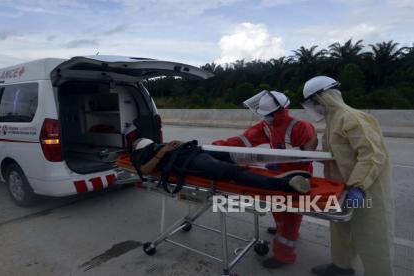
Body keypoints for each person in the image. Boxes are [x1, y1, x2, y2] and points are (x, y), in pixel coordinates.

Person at [212, 90, 318, 268]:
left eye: (270, 115)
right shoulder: (267, 126)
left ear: (281, 110)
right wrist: (217, 147)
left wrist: (287, 161)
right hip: (276, 173)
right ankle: (281, 228)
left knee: (290, 212)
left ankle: (284, 256)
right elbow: (243, 141)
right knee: (276, 205)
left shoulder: (301, 126)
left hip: (296, 175)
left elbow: (307, 155)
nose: (267, 118)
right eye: (266, 115)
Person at [302, 76, 393, 276]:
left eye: (314, 103)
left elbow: (372, 155)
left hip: (365, 189)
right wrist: (303, 155)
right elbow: (337, 158)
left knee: (373, 237)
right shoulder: (332, 122)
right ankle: (341, 266)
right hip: (341, 188)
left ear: (325, 97)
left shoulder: (351, 118)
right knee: (340, 228)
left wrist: (358, 186)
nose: (314, 108)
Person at [130, 138, 312, 194]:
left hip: (192, 152)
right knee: (228, 171)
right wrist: (162, 152)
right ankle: (285, 184)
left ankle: (280, 172)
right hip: (188, 161)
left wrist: (175, 145)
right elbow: (145, 170)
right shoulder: (138, 153)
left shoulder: (153, 144)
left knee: (233, 156)